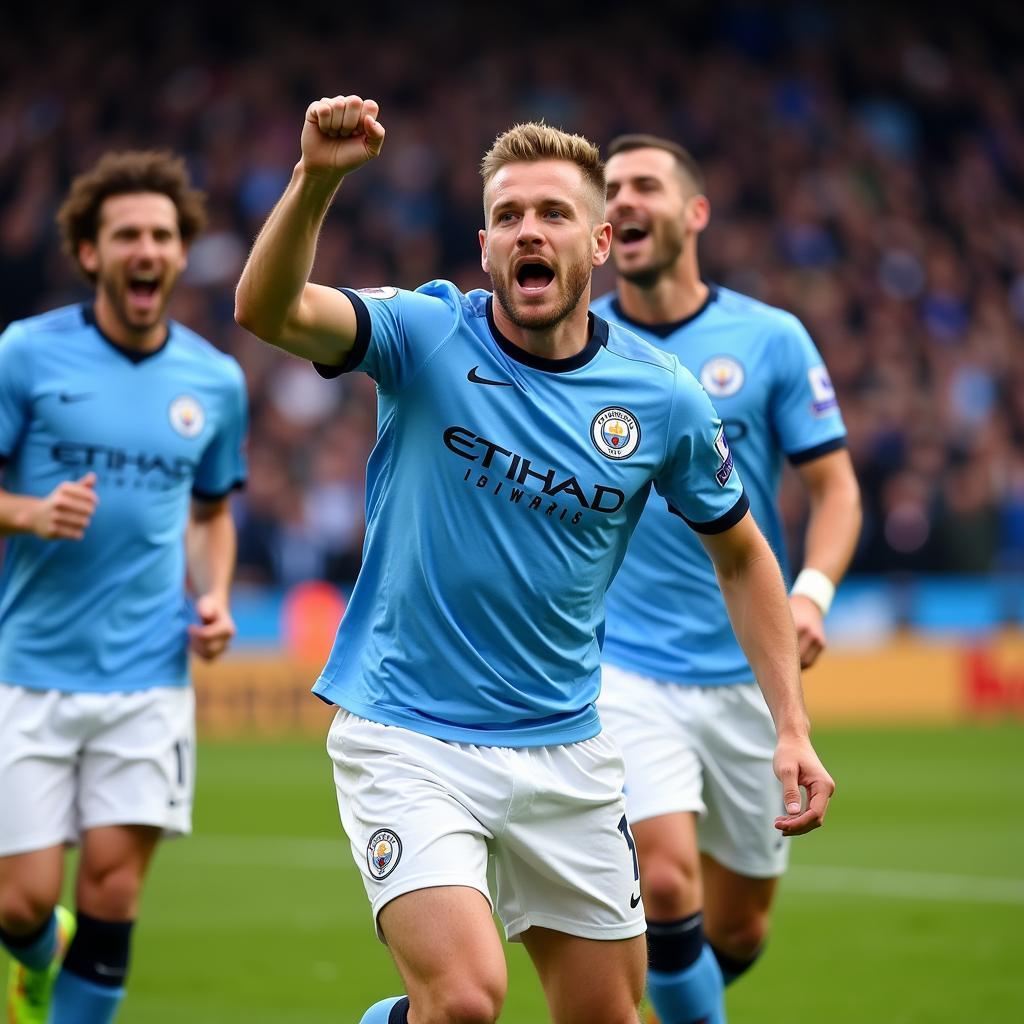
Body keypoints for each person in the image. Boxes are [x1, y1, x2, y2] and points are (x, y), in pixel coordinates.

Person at [234, 94, 834, 1024]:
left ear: (598, 244)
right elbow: (266, 308)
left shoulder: (661, 397)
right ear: (484, 247)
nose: (529, 230)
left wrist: (789, 726)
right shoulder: (425, 334)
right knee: (469, 1001)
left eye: (553, 213)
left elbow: (745, 557)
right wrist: (316, 181)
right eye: (509, 214)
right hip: (409, 734)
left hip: (567, 745)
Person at [593, 134, 862, 1024]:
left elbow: (836, 489)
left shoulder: (770, 339)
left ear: (694, 212)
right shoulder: (579, 343)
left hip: (748, 670)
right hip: (625, 667)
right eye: (610, 191)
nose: (622, 201)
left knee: (739, 927)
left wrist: (812, 592)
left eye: (643, 186)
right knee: (665, 880)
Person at [0, 151, 248, 1024]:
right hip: (28, 668)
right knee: (18, 904)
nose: (146, 250)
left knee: (113, 888)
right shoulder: (25, 356)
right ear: (91, 253)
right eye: (126, 236)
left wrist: (212, 595)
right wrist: (27, 514)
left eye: (162, 235)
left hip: (147, 678)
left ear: (182, 254)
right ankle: (37, 955)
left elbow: (213, 513)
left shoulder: (215, 381)